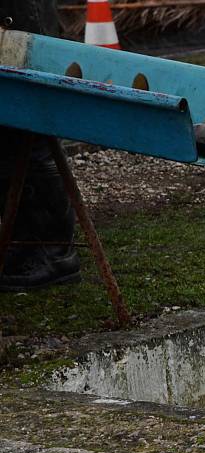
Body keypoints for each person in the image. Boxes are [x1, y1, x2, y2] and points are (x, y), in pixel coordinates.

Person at [0, 0, 79, 291]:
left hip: (20, 25)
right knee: (10, 141)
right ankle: (21, 242)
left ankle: (54, 252)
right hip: (19, 22)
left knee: (29, 142)